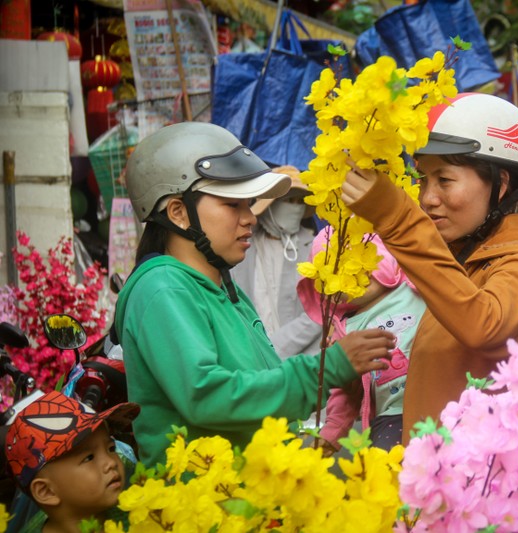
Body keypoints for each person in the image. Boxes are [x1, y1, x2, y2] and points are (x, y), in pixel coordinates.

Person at [116, 122, 395, 466]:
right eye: (233, 205)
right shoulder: (163, 288)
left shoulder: (223, 288)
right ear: (178, 212)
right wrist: (326, 370)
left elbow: (256, 395)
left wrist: (299, 441)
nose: (250, 219)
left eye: (248, 205)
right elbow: (207, 396)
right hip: (199, 508)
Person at [341, 93, 518, 444]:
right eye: (424, 180)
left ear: (501, 185)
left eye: (444, 179)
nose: (427, 198)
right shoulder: (466, 261)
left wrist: (398, 219)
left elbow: (483, 324)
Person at [297, 230, 426, 452]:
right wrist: (331, 434)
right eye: (340, 271)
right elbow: (346, 393)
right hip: (394, 417)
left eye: (360, 263)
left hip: (445, 400)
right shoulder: (346, 332)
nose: (355, 275)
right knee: (387, 476)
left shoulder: (417, 286)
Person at [4, 391, 140, 533]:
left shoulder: (142, 515)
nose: (111, 462)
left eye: (111, 448)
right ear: (46, 491)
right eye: (89, 458)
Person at [231, 165, 322, 358]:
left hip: (302, 361)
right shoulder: (240, 246)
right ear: (271, 204)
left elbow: (318, 312)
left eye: (300, 201)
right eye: (289, 200)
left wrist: (274, 349)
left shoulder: (315, 248)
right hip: (248, 356)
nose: (295, 207)